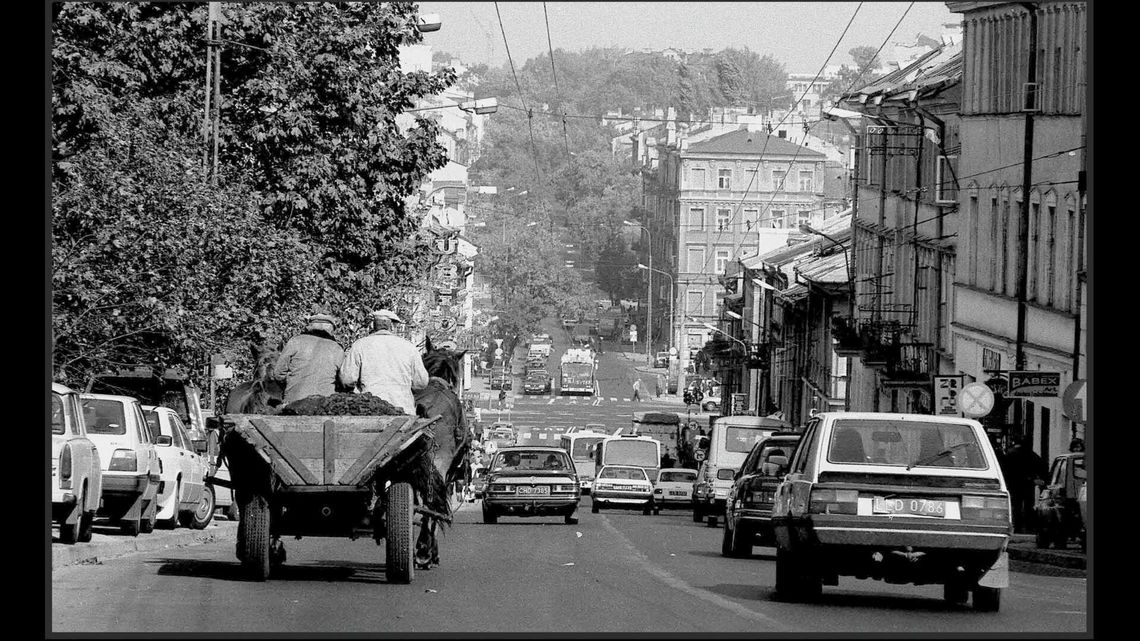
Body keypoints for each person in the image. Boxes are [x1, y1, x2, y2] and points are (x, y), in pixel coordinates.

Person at [339, 309, 429, 415]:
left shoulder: (360, 345)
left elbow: (347, 379)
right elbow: (421, 382)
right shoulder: (409, 347)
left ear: (372, 326)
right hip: (402, 409)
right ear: (392, 326)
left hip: (368, 409)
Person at [273, 314, 345, 405]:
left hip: (293, 402)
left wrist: (291, 381)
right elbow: (344, 380)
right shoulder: (338, 349)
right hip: (324, 405)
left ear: (309, 327)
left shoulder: (296, 341)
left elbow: (278, 373)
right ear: (331, 329)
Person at [1001, 436, 1048, 533]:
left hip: (1013, 483)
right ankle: (1028, 526)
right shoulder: (1030, 454)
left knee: (1016, 505)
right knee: (1028, 505)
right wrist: (1036, 478)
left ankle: (1017, 526)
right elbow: (1041, 465)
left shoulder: (1010, 453)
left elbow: (1004, 469)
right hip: (1027, 484)